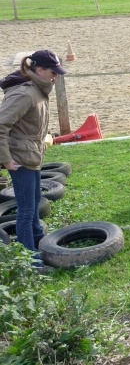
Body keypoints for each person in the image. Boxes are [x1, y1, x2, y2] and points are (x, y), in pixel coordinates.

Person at [0, 50, 67, 269]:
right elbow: (1, 125)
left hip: (32, 155)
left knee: (35, 202)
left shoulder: (38, 89)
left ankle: (39, 241)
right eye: (52, 72)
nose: (55, 76)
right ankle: (30, 259)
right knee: (27, 210)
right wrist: (7, 160)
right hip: (20, 158)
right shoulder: (25, 94)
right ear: (39, 70)